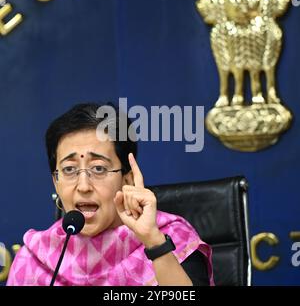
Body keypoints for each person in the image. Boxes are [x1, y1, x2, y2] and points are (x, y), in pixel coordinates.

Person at [7, 102, 214, 286]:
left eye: (98, 168)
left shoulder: (174, 240)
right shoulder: (35, 259)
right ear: (55, 181)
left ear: (128, 179)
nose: (84, 186)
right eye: (69, 169)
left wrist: (154, 243)